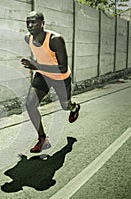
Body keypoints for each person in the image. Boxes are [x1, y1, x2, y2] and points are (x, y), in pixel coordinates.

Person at [21, 11, 80, 153]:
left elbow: (62, 67)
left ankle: (74, 108)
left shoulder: (55, 39)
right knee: (30, 104)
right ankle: (43, 139)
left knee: (65, 106)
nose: (30, 25)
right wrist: (33, 64)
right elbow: (38, 52)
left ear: (42, 23)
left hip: (60, 77)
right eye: (27, 22)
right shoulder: (27, 38)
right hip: (42, 75)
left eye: (33, 22)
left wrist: (36, 66)